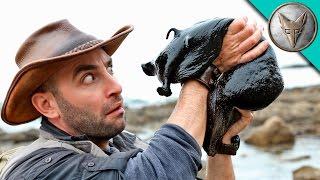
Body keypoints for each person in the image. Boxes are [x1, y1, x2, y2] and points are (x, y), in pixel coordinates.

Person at [0, 17, 268, 179]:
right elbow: (157, 174)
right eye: (88, 78)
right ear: (47, 105)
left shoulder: (125, 144)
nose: (116, 85)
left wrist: (219, 145)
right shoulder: (37, 171)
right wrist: (204, 70)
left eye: (109, 68)